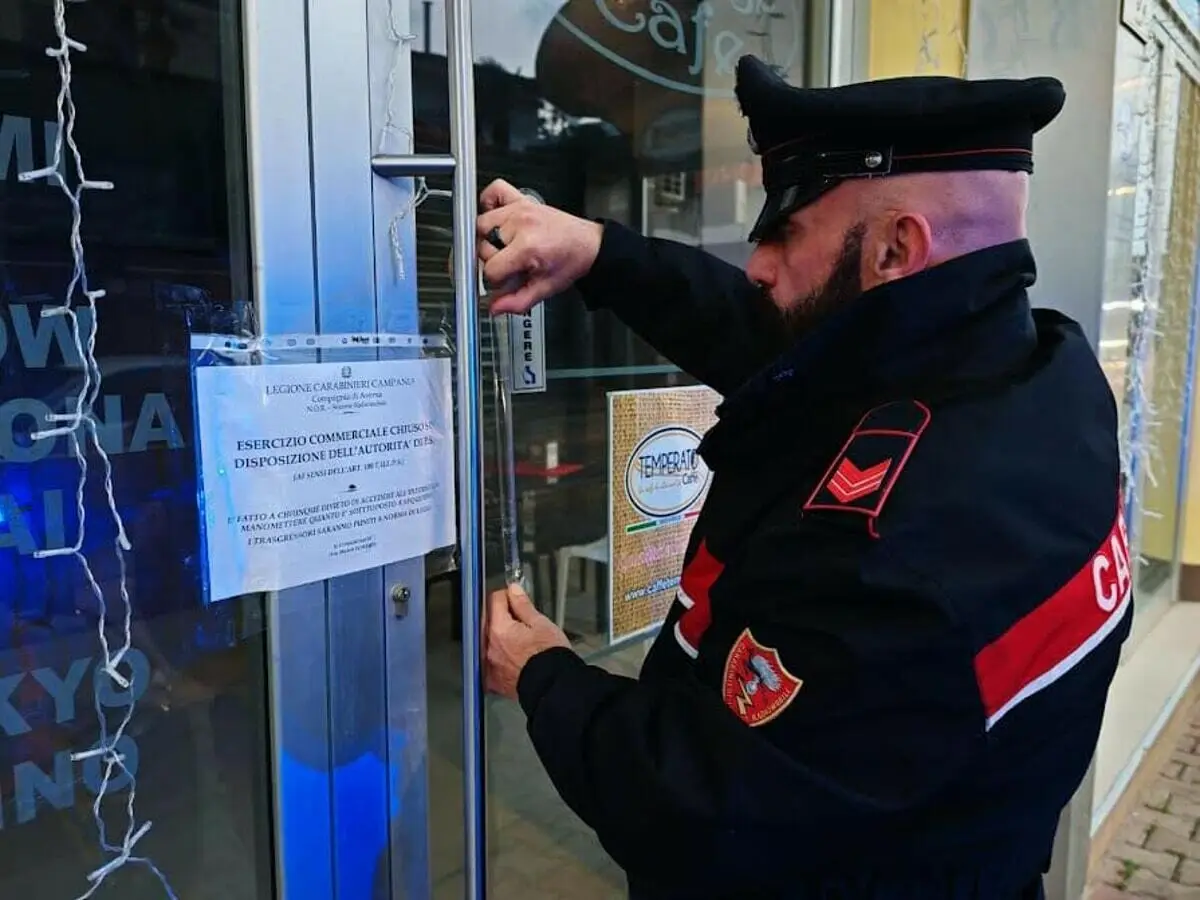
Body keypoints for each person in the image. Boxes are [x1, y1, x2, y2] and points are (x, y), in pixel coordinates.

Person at [477, 55, 1130, 900]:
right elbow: (778, 339)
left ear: (896, 247)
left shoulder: (902, 548)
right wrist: (600, 254)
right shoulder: (1043, 376)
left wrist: (543, 674)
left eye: (785, 232)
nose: (757, 262)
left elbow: (703, 813)